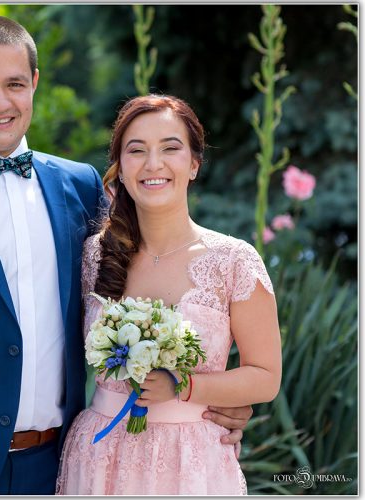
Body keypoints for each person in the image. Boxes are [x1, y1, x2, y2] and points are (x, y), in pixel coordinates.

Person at [0, 15, 251, 495]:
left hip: (66, 466)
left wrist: (216, 402)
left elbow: (146, 287)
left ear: (34, 84)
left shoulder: (79, 186)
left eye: (14, 84)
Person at [56, 94, 283, 495]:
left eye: (170, 148)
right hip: (98, 456)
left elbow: (265, 377)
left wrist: (184, 385)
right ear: (120, 167)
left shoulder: (234, 260)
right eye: (136, 150)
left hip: (190, 462)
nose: (153, 164)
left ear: (194, 164)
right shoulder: (94, 255)